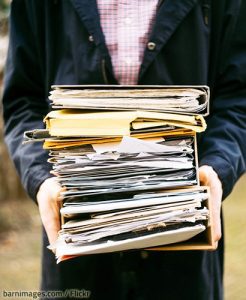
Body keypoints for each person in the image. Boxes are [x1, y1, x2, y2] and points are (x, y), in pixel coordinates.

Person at [2, 1, 246, 299]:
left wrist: (218, 164)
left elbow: (238, 98)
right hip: (76, 223)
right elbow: (22, 101)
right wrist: (42, 177)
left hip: (184, 228)